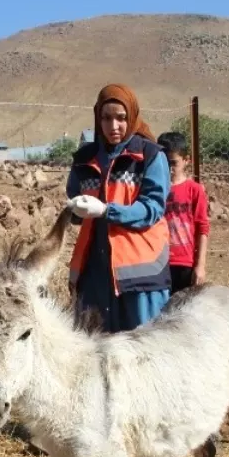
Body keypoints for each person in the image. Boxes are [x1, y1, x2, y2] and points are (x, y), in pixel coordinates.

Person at [65, 84, 171, 332]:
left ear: (132, 116)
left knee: (145, 352)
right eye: (106, 118)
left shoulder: (150, 156)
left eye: (121, 118)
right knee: (96, 349)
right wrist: (76, 209)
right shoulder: (83, 159)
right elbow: (75, 199)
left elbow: (153, 209)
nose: (113, 126)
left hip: (140, 276)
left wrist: (106, 211)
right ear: (97, 118)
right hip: (94, 274)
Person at [157, 131, 210, 293]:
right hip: (157, 262)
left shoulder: (194, 190)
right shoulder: (154, 189)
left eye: (173, 163)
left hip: (184, 263)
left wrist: (200, 266)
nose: (169, 168)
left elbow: (203, 228)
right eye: (164, 162)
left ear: (187, 160)